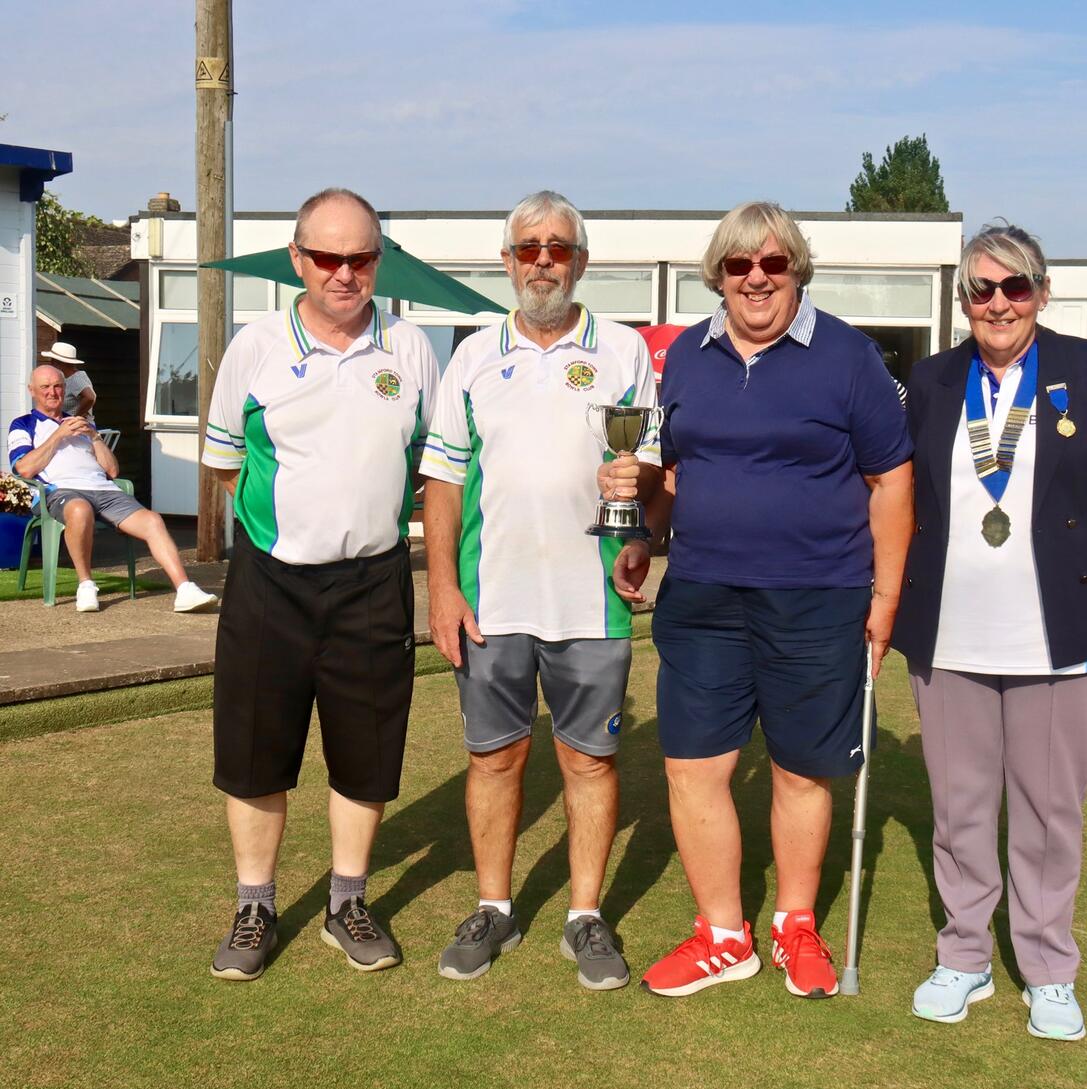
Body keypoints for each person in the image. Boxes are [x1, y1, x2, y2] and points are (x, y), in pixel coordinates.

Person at [606, 200, 913, 999]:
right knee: (692, 766)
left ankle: (795, 926)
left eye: (773, 265)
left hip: (819, 598)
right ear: (718, 274)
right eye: (739, 265)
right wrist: (645, 533)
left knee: (802, 769)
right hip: (704, 596)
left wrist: (885, 598)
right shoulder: (691, 360)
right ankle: (723, 935)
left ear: (796, 272)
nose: (755, 279)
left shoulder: (849, 357)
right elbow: (674, 473)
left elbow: (891, 481)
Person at [891, 223, 1087, 1040]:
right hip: (951, 631)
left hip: (1058, 635)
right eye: (980, 289)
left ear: (1041, 292)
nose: (997, 303)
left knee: (1047, 811)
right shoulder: (932, 380)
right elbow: (906, 493)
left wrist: (1083, 558)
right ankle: (964, 956)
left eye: (1015, 287)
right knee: (960, 806)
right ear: (962, 299)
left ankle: (1047, 968)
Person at [421, 191, 660, 991]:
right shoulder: (473, 355)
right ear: (508, 262)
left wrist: (645, 510)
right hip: (493, 599)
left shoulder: (625, 351)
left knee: (589, 763)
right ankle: (495, 905)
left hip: (593, 599)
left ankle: (584, 916)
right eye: (529, 248)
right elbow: (444, 482)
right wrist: (443, 589)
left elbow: (654, 475)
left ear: (581, 260)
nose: (544, 260)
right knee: (493, 760)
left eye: (558, 247)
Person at [201, 187, 440, 981]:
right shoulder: (256, 346)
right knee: (256, 752)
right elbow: (226, 461)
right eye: (328, 257)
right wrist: (283, 535)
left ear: (380, 261)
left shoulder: (410, 348)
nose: (345, 273)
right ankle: (255, 905)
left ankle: (346, 902)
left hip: (375, 582)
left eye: (361, 258)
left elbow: (428, 467)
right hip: (271, 582)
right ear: (298, 259)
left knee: (364, 757)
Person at [8, 365, 216, 613]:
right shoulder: (24, 424)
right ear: (32, 391)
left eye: (58, 386)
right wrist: (58, 435)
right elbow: (24, 469)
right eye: (45, 387)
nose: (53, 392)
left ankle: (184, 589)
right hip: (61, 491)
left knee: (152, 520)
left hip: (104, 490)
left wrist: (94, 437)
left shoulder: (81, 423)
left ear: (65, 389)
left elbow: (113, 471)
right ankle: (86, 585)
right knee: (79, 510)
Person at [41, 342, 97, 423]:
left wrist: (75, 418)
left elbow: (90, 397)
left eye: (53, 360)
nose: (51, 363)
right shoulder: (65, 378)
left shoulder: (75, 378)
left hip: (77, 429)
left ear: (61, 363)